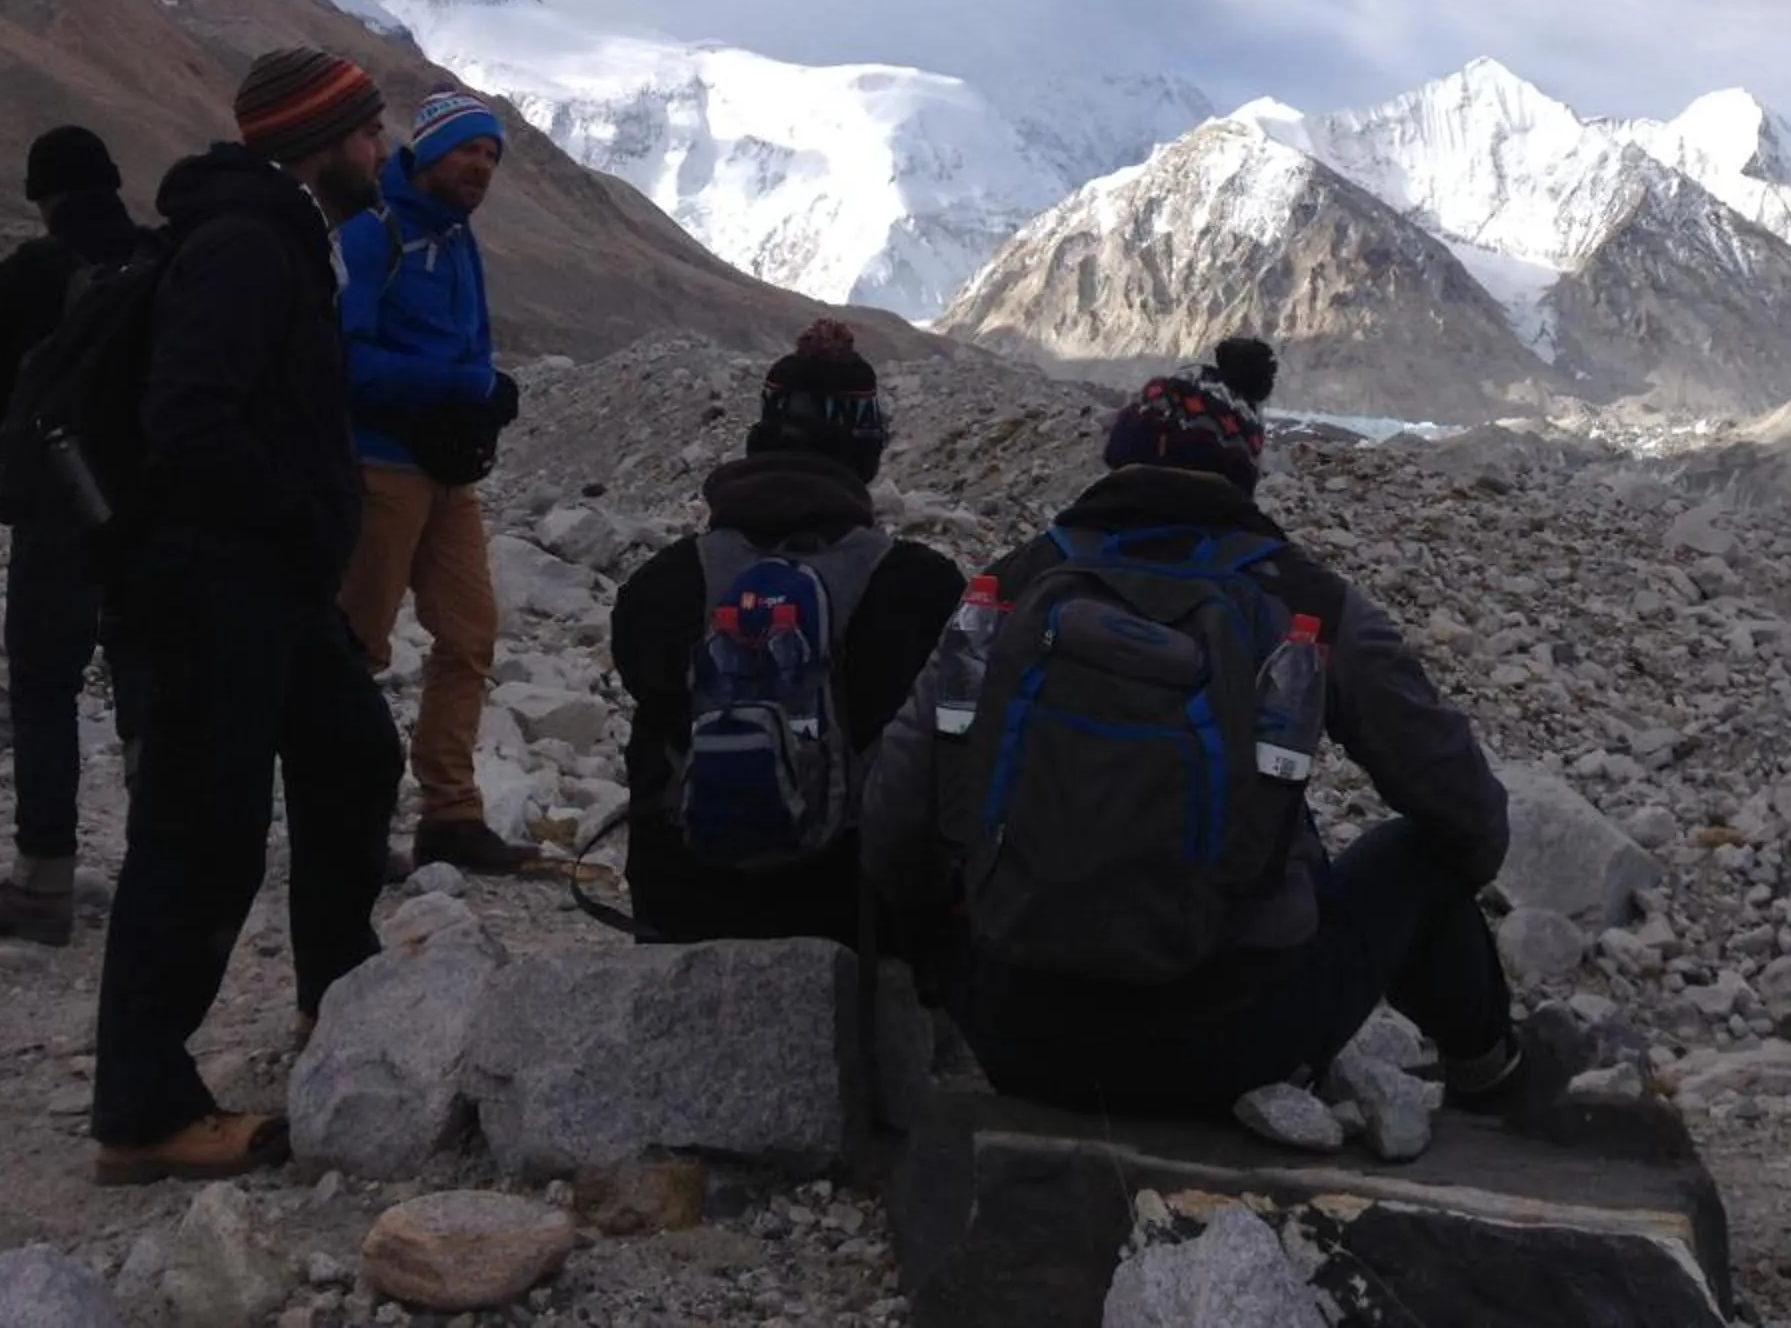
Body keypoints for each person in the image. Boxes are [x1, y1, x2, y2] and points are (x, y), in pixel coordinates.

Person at [863, 337, 1529, 1121]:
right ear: (1243, 473)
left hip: (1018, 1033)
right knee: (1417, 852)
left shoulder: (1011, 585)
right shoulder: (1307, 601)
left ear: (1120, 457)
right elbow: (1468, 815)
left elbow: (893, 819)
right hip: (1236, 1041)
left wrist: (956, 934)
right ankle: (1491, 1081)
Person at [89, 48, 403, 1185]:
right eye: (368, 131)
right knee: (198, 838)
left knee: (356, 756)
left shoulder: (283, 239)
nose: (383, 150)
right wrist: (290, 516)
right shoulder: (242, 248)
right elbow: (189, 417)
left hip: (267, 588)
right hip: (209, 589)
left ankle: (337, 995)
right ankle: (141, 1112)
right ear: (320, 143)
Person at [609, 323, 964, 945]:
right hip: (853, 930)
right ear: (868, 453)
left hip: (684, 917)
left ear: (758, 439)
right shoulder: (920, 587)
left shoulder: (659, 585)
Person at [0, 123, 149, 946]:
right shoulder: (163, 264)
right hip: (153, 517)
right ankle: (163, 873)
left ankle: (42, 882)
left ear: (43, 198)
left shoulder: (34, 271)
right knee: (146, 693)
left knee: (46, 692)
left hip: (59, 511)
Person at [335, 90, 534, 876]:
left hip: (445, 472)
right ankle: (345, 817)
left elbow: (471, 346)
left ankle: (450, 813)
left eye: (491, 157)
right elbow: (343, 359)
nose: (481, 168)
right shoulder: (370, 232)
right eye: (468, 152)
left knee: (469, 635)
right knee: (358, 647)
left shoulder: (459, 240)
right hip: (380, 464)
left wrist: (484, 393)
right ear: (427, 151)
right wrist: (456, 391)